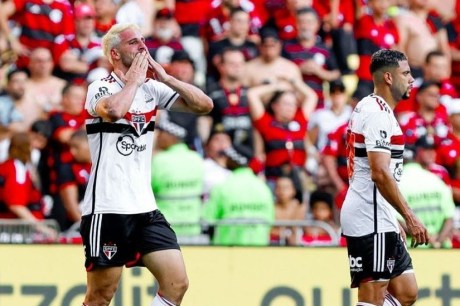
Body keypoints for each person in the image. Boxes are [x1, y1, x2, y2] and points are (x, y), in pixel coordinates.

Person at [80, 23, 213, 306]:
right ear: (114, 53)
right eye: (133, 42)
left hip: (145, 208)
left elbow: (205, 105)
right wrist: (134, 82)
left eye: (142, 40)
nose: (142, 46)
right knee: (101, 296)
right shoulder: (99, 88)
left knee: (177, 283)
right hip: (107, 207)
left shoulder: (153, 88)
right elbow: (114, 111)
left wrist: (168, 79)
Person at [341, 49, 429, 306]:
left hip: (380, 213)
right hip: (369, 216)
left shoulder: (372, 106)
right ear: (389, 78)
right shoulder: (377, 113)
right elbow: (379, 172)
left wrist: (392, 216)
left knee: (406, 292)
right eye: (406, 73)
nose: (411, 79)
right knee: (373, 296)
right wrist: (409, 216)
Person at [203, 146, 274, 246]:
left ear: (233, 160)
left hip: (227, 252)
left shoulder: (222, 187)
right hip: (259, 250)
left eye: (227, 157)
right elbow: (269, 220)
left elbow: (208, 219)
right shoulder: (263, 188)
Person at [151, 113, 204, 236]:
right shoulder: (197, 158)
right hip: (193, 227)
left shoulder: (159, 160)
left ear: (172, 136)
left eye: (162, 132)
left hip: (165, 228)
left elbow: (147, 189)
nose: (158, 136)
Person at [398, 146, 456, 249]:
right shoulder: (437, 180)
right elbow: (450, 217)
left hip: (413, 248)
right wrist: (437, 241)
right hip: (441, 247)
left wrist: (426, 238)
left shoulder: (396, 184)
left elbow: (395, 219)